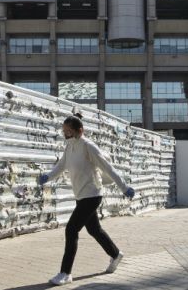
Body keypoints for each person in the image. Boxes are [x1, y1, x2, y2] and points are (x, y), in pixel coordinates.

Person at [39, 114, 136, 286]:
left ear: (79, 131)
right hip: (81, 195)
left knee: (71, 230)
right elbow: (61, 165)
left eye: (68, 131)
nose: (66, 134)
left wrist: (124, 187)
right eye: (64, 131)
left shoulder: (88, 147)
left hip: (92, 195)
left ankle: (65, 272)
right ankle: (115, 254)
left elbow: (108, 167)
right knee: (94, 230)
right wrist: (48, 176)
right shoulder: (69, 146)